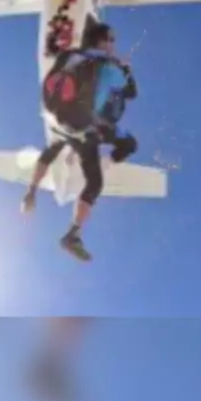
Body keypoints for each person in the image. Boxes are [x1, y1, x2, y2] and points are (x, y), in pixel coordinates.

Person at [21, 22, 138, 262]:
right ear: (102, 41)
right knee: (124, 149)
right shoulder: (109, 66)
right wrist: (126, 70)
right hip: (85, 129)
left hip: (58, 122)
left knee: (54, 145)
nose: (113, 44)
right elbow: (131, 92)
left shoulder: (69, 56)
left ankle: (31, 191)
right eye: (111, 40)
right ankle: (73, 233)